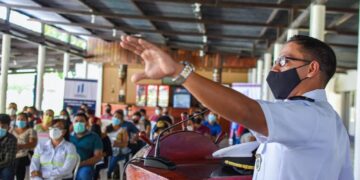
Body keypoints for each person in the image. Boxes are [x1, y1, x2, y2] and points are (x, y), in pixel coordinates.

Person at [120, 35, 353, 179]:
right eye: (275, 62)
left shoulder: (309, 115)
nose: (274, 69)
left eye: (284, 61)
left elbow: (247, 111)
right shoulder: (327, 121)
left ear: (312, 69)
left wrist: (180, 73)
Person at [70, 113, 103, 180]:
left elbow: (98, 157)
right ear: (72, 124)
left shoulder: (94, 137)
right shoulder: (68, 137)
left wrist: (80, 164)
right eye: (76, 121)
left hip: (85, 165)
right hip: (67, 164)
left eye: (82, 121)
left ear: (87, 123)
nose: (78, 123)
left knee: (84, 174)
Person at [10, 112, 37, 180]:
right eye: (18, 119)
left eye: (22, 119)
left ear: (27, 121)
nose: (20, 121)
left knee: (19, 164)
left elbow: (32, 144)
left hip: (23, 154)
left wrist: (20, 146)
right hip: (11, 153)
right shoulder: (12, 130)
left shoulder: (31, 130)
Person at [105, 110, 130, 178]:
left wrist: (117, 144)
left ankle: (108, 173)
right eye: (115, 116)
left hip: (119, 151)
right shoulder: (107, 128)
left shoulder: (123, 130)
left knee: (115, 155)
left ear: (121, 120)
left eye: (119, 118)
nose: (116, 118)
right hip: (108, 150)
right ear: (112, 117)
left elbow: (125, 144)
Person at [0, 114, 17, 180]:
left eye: (3, 126)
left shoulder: (12, 139)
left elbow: (8, 160)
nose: (1, 128)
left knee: (7, 172)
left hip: (5, 165)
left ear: (8, 127)